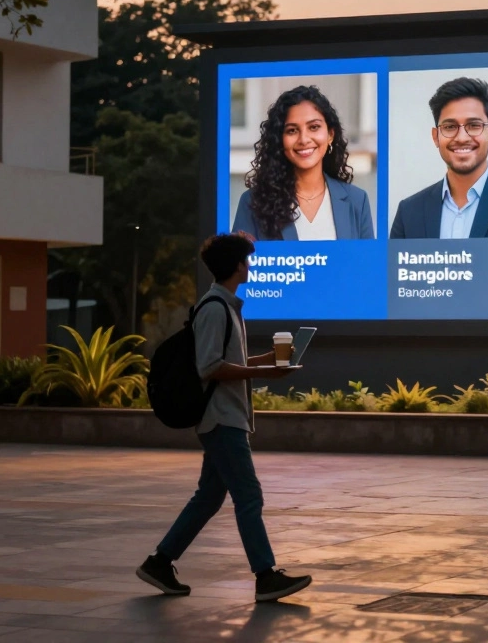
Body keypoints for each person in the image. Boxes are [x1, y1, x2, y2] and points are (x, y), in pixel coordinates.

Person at [137, 232, 313, 603]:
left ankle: (159, 562)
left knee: (209, 497)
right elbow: (210, 367)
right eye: (247, 260)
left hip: (226, 417)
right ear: (237, 265)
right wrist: (264, 375)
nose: (250, 266)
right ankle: (265, 576)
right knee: (248, 495)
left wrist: (267, 361)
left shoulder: (227, 306)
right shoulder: (216, 308)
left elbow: (225, 363)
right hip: (221, 419)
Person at [389, 77, 488, 239]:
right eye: (449, 127)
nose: (461, 138)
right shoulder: (409, 212)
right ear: (435, 137)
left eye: (474, 126)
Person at [232, 86, 374, 241]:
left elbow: (369, 264)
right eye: (292, 130)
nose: (304, 139)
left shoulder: (357, 201)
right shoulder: (253, 202)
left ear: (330, 135)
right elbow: (237, 264)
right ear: (280, 139)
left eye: (314, 127)